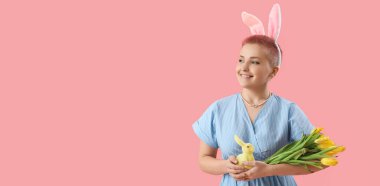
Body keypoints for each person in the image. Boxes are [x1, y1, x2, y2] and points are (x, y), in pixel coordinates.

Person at [192, 4, 327, 186]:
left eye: (254, 62)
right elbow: (204, 159)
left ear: (273, 72)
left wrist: (270, 169)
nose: (244, 68)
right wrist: (226, 166)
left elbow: (319, 159)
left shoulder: (288, 111)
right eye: (241, 60)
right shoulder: (219, 109)